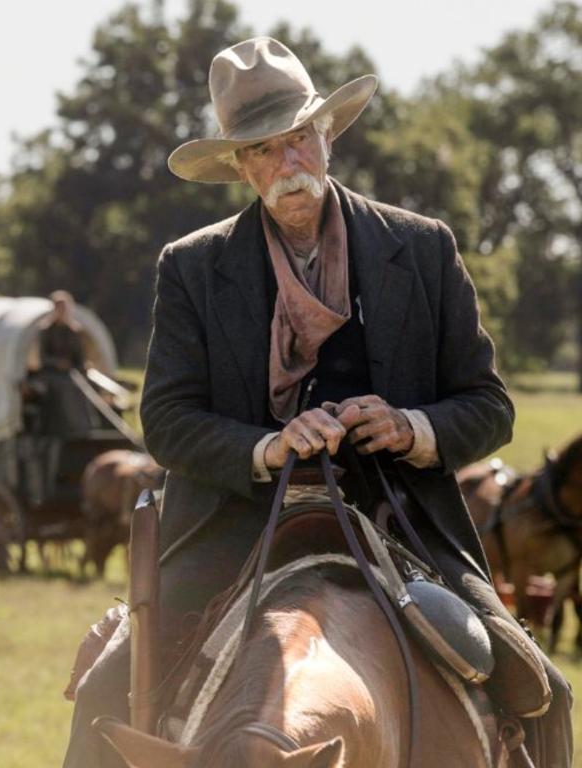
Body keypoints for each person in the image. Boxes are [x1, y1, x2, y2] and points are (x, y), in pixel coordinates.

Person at [63, 37, 571, 767]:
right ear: (240, 166)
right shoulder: (192, 268)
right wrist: (267, 447)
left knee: (541, 684)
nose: (289, 162)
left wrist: (410, 427)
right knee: (105, 691)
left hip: (399, 520)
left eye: (300, 138)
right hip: (236, 527)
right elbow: (168, 421)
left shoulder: (422, 248)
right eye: (265, 150)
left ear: (326, 134)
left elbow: (489, 406)